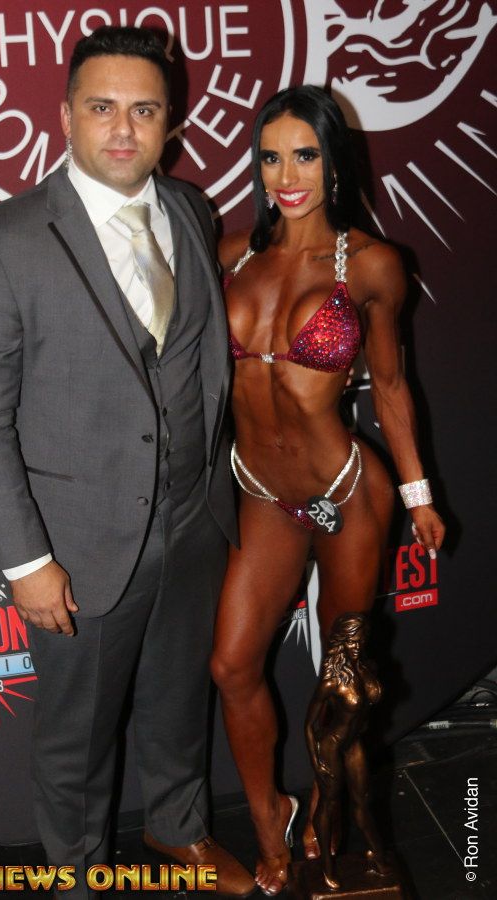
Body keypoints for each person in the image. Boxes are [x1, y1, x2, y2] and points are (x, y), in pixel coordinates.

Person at [0, 26, 255, 900]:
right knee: (77, 733)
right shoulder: (0, 240)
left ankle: (178, 826)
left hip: (194, 519)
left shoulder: (189, 210)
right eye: (102, 108)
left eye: (144, 110)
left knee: (178, 697)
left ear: (170, 121)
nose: (124, 129)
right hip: (78, 545)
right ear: (66, 116)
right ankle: (77, 877)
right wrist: (26, 562)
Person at [210, 85, 445, 896]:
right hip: (262, 494)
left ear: (335, 161)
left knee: (340, 686)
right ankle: (268, 813)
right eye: (271, 157)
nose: (287, 176)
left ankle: (326, 809)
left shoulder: (372, 264)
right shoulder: (230, 255)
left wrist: (418, 494)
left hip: (346, 494)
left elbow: (391, 387)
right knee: (231, 664)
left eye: (304, 155)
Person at [305, 613, 389, 891]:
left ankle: (378, 856)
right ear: (341, 641)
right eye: (352, 640)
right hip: (331, 745)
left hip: (354, 743)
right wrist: (316, 760)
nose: (357, 645)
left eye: (361, 639)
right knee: (329, 803)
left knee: (362, 802)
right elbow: (310, 725)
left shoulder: (367, 667)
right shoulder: (332, 679)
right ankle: (327, 865)